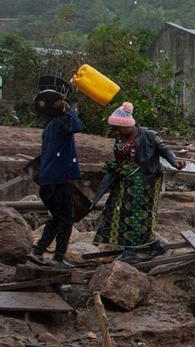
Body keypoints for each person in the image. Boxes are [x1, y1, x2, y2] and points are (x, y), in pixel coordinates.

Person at [93, 101, 183, 262]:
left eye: (119, 128)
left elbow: (165, 150)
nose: (116, 132)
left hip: (145, 181)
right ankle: (153, 246)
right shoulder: (120, 137)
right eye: (115, 129)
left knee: (138, 214)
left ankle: (131, 250)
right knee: (120, 212)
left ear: (129, 125)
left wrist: (175, 162)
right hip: (125, 181)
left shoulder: (148, 135)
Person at [29, 89, 83, 268]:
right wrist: (69, 108)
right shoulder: (61, 123)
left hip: (47, 180)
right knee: (66, 219)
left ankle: (37, 251)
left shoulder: (49, 128)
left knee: (56, 218)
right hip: (60, 179)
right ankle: (58, 258)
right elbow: (78, 126)